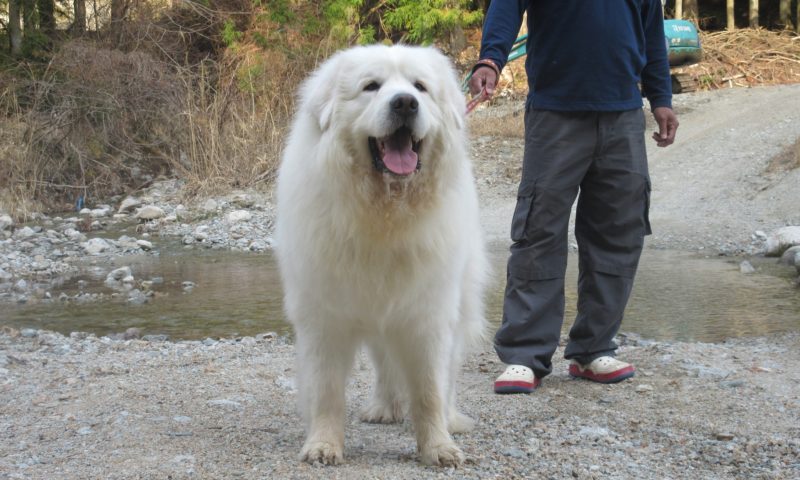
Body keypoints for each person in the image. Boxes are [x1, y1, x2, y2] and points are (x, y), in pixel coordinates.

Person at [468, 1, 679, 394]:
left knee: (619, 232)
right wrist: (491, 60)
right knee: (539, 230)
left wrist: (661, 98)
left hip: (623, 115)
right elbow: (506, 7)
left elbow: (651, 32)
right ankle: (524, 355)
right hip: (556, 113)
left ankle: (593, 349)